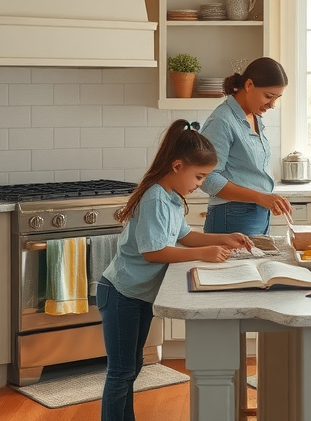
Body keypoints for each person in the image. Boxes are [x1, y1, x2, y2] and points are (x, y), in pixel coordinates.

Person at [98, 119, 252, 421]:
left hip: (138, 295)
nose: (200, 184)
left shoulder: (171, 197)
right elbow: (153, 252)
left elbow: (185, 236)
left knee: (131, 368)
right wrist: (204, 254)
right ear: (178, 166)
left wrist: (224, 238)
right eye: (199, 176)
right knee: (121, 372)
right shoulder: (155, 197)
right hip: (121, 294)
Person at [199, 57, 292, 236]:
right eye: (268, 96)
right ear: (249, 85)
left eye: (276, 98)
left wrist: (266, 199)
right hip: (232, 214)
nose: (272, 105)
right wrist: (260, 197)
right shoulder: (222, 120)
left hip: (257, 213)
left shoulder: (253, 116)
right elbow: (207, 178)